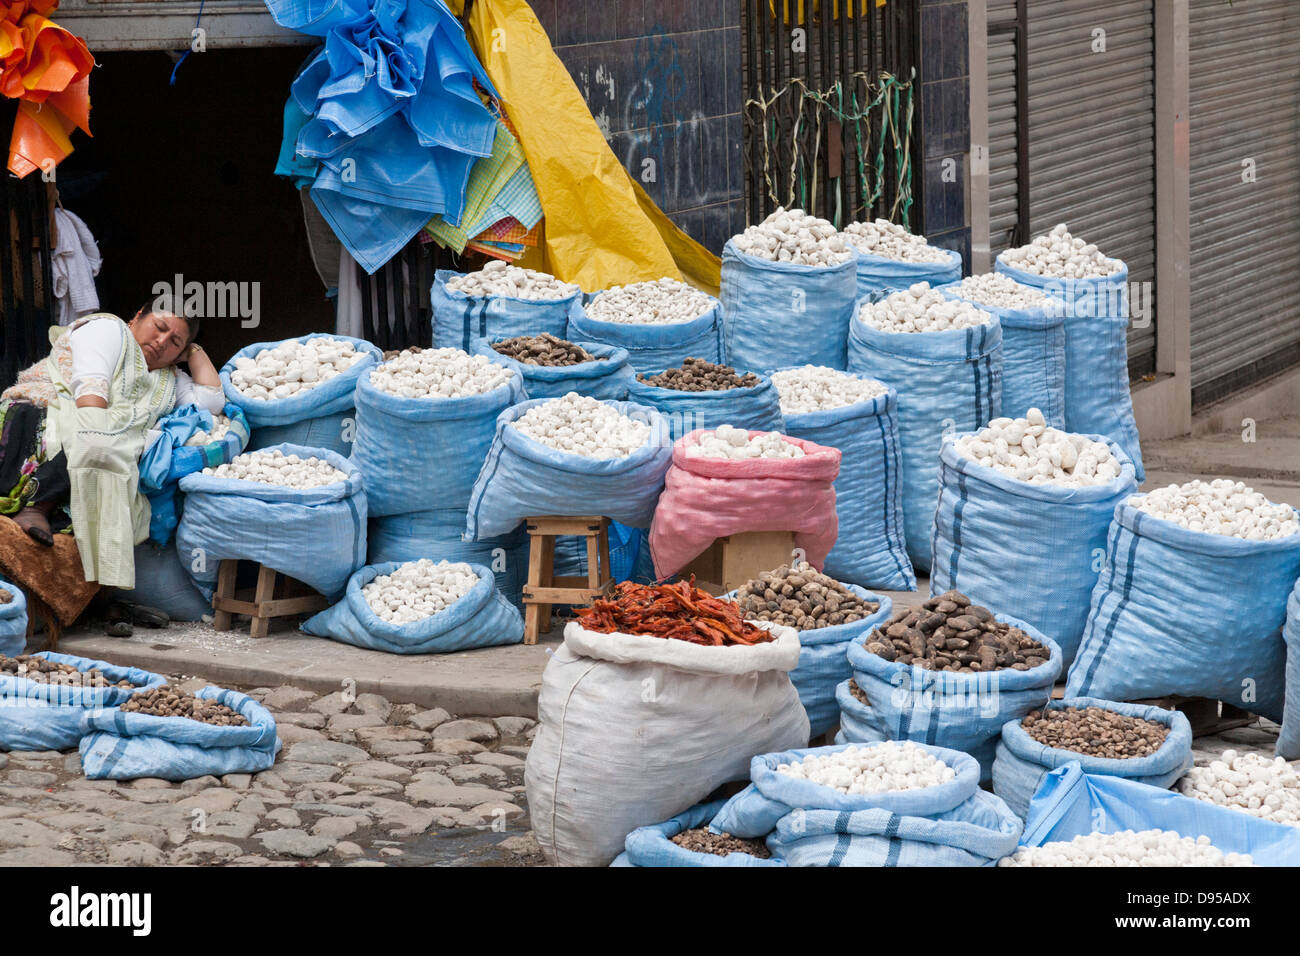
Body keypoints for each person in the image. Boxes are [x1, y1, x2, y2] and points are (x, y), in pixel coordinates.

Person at [0, 302, 224, 598]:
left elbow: (211, 403)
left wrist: (195, 351)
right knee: (93, 438)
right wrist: (101, 438)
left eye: (175, 342)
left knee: (121, 465)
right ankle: (35, 506)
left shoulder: (168, 378)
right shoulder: (109, 330)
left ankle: (97, 591)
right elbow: (91, 385)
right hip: (41, 417)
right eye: (159, 328)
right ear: (136, 317)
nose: (161, 342)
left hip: (96, 439)